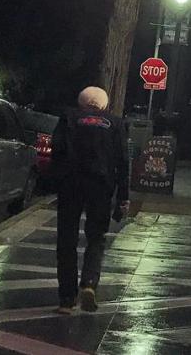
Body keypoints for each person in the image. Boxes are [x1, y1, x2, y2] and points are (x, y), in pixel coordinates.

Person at [51, 86, 129, 314]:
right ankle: (89, 284)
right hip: (101, 187)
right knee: (96, 238)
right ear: (104, 105)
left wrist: (56, 180)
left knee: (66, 240)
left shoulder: (68, 118)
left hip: (71, 185)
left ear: (81, 103)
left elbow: (56, 151)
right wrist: (123, 196)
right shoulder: (115, 123)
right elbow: (123, 161)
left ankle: (66, 299)